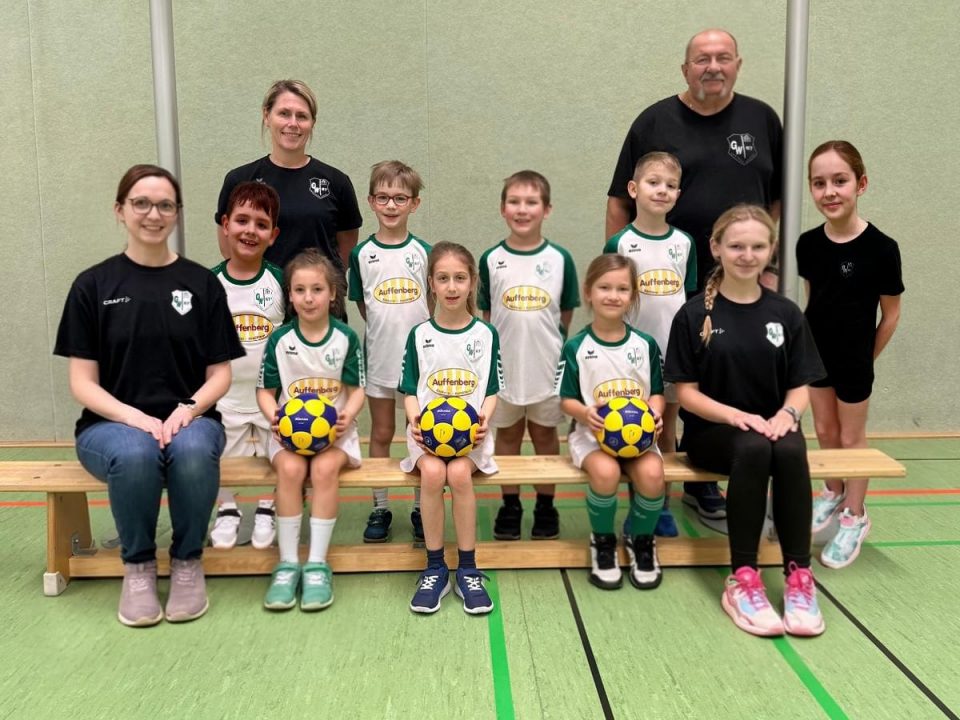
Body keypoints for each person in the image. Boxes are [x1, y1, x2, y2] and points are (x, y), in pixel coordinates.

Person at [53, 164, 244, 627]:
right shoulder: (92, 286)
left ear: (177, 213)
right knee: (136, 453)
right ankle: (137, 567)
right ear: (120, 210)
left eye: (164, 205)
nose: (153, 214)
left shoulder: (202, 284)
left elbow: (220, 374)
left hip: (192, 419)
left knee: (192, 451)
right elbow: (82, 382)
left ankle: (187, 562)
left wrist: (189, 410)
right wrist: (133, 417)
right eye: (141, 203)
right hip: (109, 427)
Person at [606, 29, 784, 522]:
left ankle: (706, 480)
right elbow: (618, 203)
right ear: (685, 69)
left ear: (738, 64)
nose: (713, 67)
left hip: (742, 280)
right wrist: (617, 279)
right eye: (702, 59)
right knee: (667, 389)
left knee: (726, 379)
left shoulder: (762, 119)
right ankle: (658, 489)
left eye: (723, 58)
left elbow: (777, 199)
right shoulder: (654, 121)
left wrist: (766, 264)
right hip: (668, 285)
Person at [664, 205, 826, 637]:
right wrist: (737, 416)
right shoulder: (694, 315)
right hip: (713, 433)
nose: (747, 255)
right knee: (753, 447)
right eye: (737, 246)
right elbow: (686, 393)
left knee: (789, 448)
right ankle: (743, 578)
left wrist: (787, 415)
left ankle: (798, 576)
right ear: (716, 248)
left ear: (771, 249)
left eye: (757, 246)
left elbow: (801, 384)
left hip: (773, 425)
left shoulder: (785, 313)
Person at [798, 141, 904, 569]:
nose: (829, 191)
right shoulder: (808, 244)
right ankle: (833, 490)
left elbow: (891, 315)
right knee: (824, 429)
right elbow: (814, 301)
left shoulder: (882, 248)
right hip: (816, 356)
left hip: (855, 360)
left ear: (861, 184)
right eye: (819, 183)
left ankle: (855, 516)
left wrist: (865, 358)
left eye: (839, 181)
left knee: (850, 438)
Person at [257, 250, 365, 611]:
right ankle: (288, 564)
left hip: (335, 436)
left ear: (332, 293)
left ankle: (317, 563)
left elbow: (357, 390)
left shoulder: (345, 338)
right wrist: (275, 416)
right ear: (289, 295)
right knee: (289, 469)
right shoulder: (280, 340)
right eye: (300, 290)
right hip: (287, 437)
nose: (308, 298)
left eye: (317, 289)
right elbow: (265, 392)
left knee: (323, 468)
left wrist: (347, 415)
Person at [400, 242, 502, 615]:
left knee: (458, 473)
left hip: (472, 437)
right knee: (431, 473)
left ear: (472, 282)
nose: (452, 286)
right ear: (431, 283)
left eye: (460, 278)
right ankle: (435, 568)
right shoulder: (419, 335)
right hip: (426, 437)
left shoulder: (485, 334)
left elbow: (491, 390)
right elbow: (410, 390)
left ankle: (468, 569)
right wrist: (415, 421)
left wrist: (483, 421)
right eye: (443, 278)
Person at [478, 171, 579, 542]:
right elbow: (488, 316)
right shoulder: (491, 259)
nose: (522, 210)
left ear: (546, 209)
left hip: (547, 367)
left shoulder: (560, 259)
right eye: (515, 202)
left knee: (544, 435)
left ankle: (545, 504)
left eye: (531, 202)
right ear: (502, 208)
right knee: (506, 435)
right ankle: (510, 504)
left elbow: (564, 315)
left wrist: (547, 346)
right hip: (505, 368)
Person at [556, 254, 666, 590]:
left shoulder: (644, 345)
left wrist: (655, 413)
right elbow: (566, 399)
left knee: (652, 474)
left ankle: (641, 540)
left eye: (622, 289)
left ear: (633, 296)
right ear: (588, 292)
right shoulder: (576, 346)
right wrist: (585, 413)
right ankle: (602, 541)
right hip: (591, 435)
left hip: (638, 437)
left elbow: (657, 393)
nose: (613, 295)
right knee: (605, 473)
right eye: (604, 287)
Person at [604, 152, 696, 538]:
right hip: (630, 358)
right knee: (631, 429)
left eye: (670, 185)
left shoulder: (684, 243)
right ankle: (636, 507)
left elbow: (689, 301)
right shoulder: (620, 242)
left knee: (666, 428)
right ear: (633, 188)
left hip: (673, 354)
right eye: (653, 182)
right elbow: (610, 298)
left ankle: (662, 507)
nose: (662, 191)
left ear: (678, 194)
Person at [215, 80, 363, 305]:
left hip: (319, 306)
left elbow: (346, 246)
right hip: (261, 305)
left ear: (312, 123)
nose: (293, 123)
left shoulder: (335, 182)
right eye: (284, 113)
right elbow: (229, 247)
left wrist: (318, 284)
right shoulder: (240, 180)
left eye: (302, 116)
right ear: (267, 116)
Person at [348, 161, 431, 544]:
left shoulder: (425, 252)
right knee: (381, 432)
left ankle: (419, 507)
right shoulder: (361, 254)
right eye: (383, 198)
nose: (391, 205)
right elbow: (365, 306)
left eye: (400, 198)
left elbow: (430, 306)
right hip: (380, 360)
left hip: (421, 366)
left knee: (420, 434)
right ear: (370, 201)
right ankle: (380, 506)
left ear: (414, 203)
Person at [207, 182, 285, 551]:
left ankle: (269, 507)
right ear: (225, 225)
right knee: (222, 456)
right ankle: (227, 510)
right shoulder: (209, 283)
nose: (250, 230)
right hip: (226, 398)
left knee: (279, 453)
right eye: (242, 220)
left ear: (273, 235)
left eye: (261, 224)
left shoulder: (280, 280)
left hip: (273, 398)